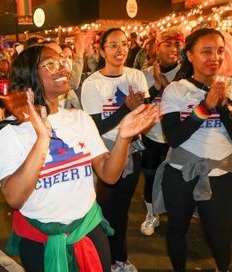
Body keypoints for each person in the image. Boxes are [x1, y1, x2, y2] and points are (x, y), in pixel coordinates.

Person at [0, 44, 158, 272]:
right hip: (41, 241)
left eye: (62, 62)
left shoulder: (80, 119)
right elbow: (15, 199)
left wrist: (123, 138)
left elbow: (109, 175)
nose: (63, 68)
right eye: (50, 64)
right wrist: (42, 138)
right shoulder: (9, 133)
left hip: (89, 232)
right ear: (29, 75)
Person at [154, 28, 232, 272]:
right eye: (206, 51)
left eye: (220, 51)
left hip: (221, 176)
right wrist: (205, 106)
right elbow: (175, 137)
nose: (215, 57)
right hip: (181, 173)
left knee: (220, 235)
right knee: (177, 228)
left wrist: (222, 106)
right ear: (190, 55)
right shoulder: (176, 90)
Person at [81, 28, 149, 272]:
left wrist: (138, 113)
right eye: (112, 45)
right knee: (106, 210)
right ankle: (106, 260)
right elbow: (95, 126)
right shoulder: (92, 84)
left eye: (123, 44)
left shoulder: (136, 76)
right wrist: (125, 109)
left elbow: (145, 112)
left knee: (122, 209)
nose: (119, 50)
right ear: (101, 51)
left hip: (131, 150)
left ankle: (120, 260)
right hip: (103, 151)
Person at [140, 28, 185, 236]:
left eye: (177, 44)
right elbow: (140, 106)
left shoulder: (186, 73)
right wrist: (155, 89)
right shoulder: (146, 74)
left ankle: (177, 216)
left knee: (175, 180)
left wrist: (167, 88)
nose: (173, 49)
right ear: (157, 48)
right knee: (150, 178)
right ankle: (151, 214)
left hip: (177, 137)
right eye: (168, 44)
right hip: (151, 136)